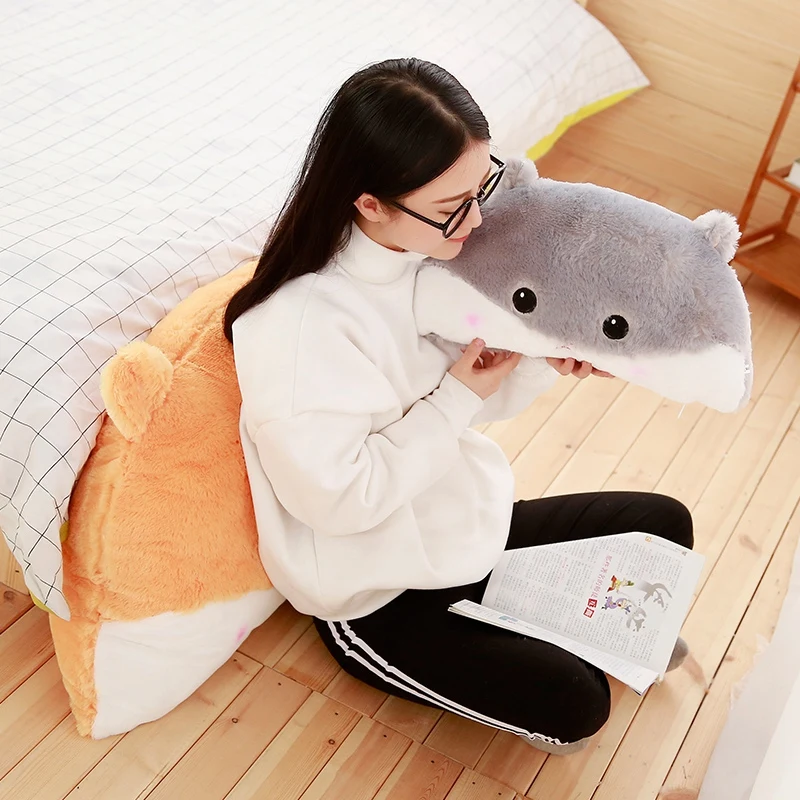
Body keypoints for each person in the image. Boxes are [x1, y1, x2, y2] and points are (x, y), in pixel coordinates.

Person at [224, 58, 694, 755]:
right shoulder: (299, 328)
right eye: (452, 206)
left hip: (457, 527)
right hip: (375, 591)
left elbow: (468, 404)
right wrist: (457, 394)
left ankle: (561, 623)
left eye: (481, 189)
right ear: (370, 203)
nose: (475, 220)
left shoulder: (426, 257)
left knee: (664, 523)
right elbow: (340, 501)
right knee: (579, 702)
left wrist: (537, 358)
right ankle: (568, 631)